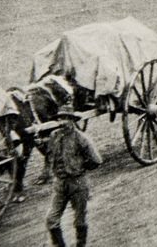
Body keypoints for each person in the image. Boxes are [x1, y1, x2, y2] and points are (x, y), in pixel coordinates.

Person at [45, 104, 102, 247]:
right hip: (59, 184)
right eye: (60, 119)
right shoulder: (54, 136)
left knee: (80, 219)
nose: (62, 122)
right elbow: (49, 155)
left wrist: (79, 168)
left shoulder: (81, 138)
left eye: (66, 118)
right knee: (51, 220)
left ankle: (80, 245)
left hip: (78, 184)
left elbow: (96, 160)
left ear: (72, 120)